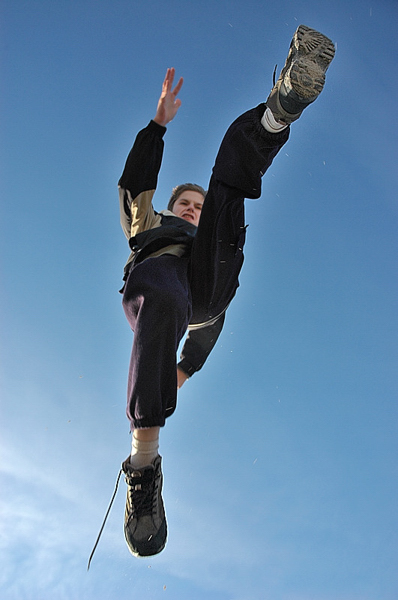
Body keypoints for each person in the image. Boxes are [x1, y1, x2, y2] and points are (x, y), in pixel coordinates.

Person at [89, 24, 335, 566]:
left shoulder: (209, 233)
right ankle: (144, 468)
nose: (191, 211)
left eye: (195, 207)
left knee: (229, 170)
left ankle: (282, 105)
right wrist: (157, 127)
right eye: (186, 205)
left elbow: (195, 356)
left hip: (207, 288)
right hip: (159, 286)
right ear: (172, 208)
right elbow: (134, 184)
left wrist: (175, 373)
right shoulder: (149, 224)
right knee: (165, 293)